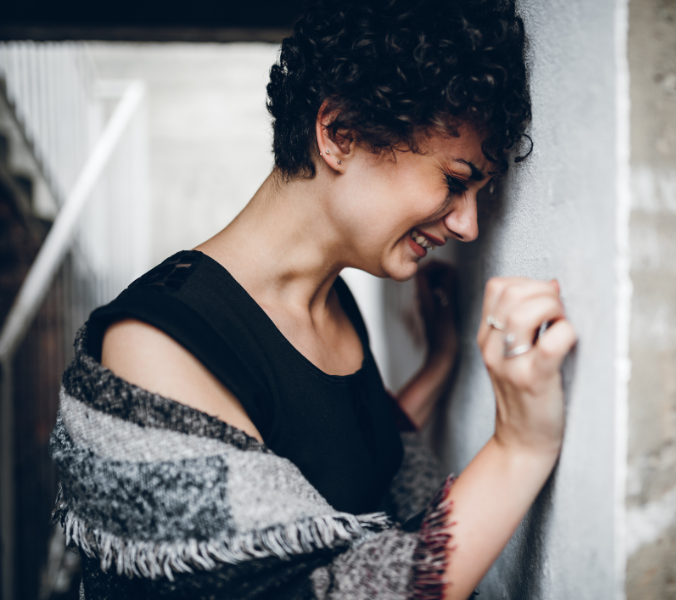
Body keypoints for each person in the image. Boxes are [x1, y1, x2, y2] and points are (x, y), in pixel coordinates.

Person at [50, 1, 576, 598]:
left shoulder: (333, 303)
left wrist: (438, 366)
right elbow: (309, 588)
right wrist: (520, 445)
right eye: (455, 182)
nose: (468, 226)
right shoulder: (156, 349)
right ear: (339, 134)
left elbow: (339, 459)